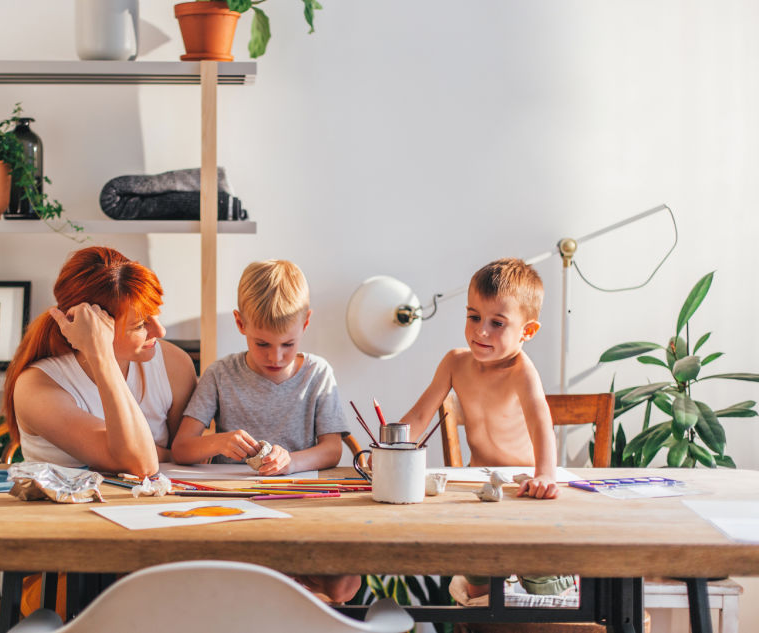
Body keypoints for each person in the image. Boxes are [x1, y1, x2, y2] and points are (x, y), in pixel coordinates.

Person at [171, 259, 358, 603]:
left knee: (344, 586)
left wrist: (291, 462)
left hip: (300, 506)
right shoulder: (220, 374)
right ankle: (277, 588)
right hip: (236, 510)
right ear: (240, 323)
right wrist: (218, 442)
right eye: (262, 344)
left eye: (288, 344)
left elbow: (333, 449)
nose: (276, 356)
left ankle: (282, 586)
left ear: (306, 322)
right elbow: (182, 447)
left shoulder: (318, 373)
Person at [399, 257, 570, 602]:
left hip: (525, 485)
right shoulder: (455, 363)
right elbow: (419, 415)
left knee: (542, 579)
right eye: (474, 316)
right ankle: (482, 616)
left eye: (497, 323)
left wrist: (546, 477)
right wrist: (389, 452)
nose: (481, 331)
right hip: (480, 485)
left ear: (527, 331)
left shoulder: (522, 371)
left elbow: (541, 425)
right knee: (478, 580)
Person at [3, 246, 197, 479]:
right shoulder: (36, 386)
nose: (160, 331)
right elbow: (140, 465)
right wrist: (100, 353)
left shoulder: (174, 364)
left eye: (156, 314)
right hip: (62, 514)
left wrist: (170, 455)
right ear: (91, 324)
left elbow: (191, 456)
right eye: (139, 325)